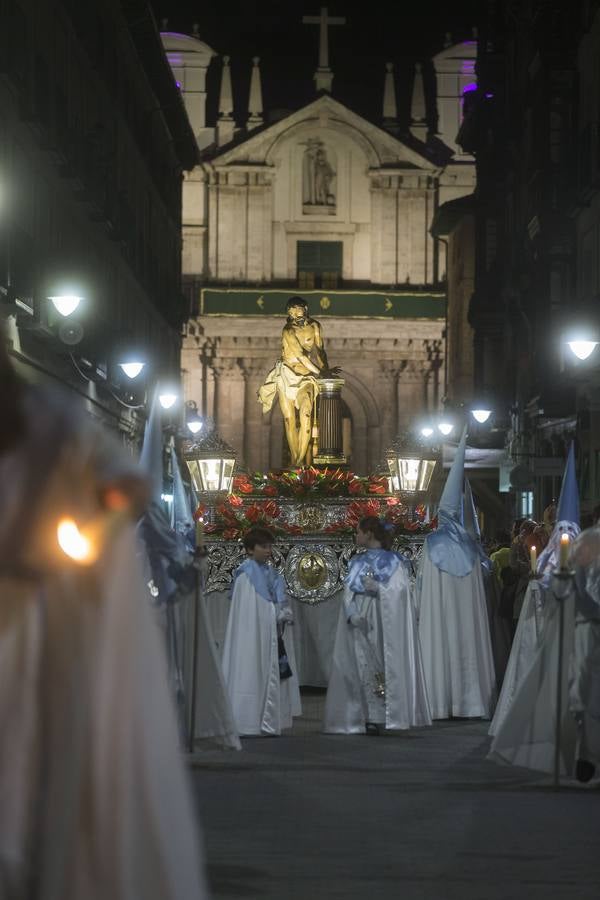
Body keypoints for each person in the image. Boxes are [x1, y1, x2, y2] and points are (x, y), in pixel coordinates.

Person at [0, 342, 208, 898]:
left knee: (39, 748)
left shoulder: (51, 419)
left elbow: (128, 486)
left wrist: (86, 532)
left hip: (42, 620)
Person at [323, 516, 431, 735]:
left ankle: (384, 714)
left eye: (358, 531)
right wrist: (352, 614)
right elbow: (348, 593)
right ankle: (365, 715)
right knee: (362, 662)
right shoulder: (357, 561)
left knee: (383, 660)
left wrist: (379, 589)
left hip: (384, 621)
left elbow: (401, 593)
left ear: (369, 533)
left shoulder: (394, 562)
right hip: (362, 619)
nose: (356, 535)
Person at [416, 428, 496, 720]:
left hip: (439, 615)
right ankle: (471, 702)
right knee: (468, 641)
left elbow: (422, 586)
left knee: (441, 642)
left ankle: (441, 701)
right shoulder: (472, 548)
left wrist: (417, 607)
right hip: (466, 616)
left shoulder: (432, 543)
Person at [222, 526, 301, 736]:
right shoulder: (245, 576)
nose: (268, 551)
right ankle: (249, 719)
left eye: (269, 547)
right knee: (253, 666)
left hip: (270, 633)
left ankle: (270, 717)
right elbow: (252, 610)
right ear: (249, 549)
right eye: (263, 547)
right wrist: (275, 613)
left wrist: (282, 612)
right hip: (253, 636)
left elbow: (273, 599)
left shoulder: (271, 573)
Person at [258, 297, 340, 466]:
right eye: (291, 311)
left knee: (307, 415)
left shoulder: (315, 326)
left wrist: (326, 369)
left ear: (305, 308)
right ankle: (297, 462)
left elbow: (320, 351)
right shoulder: (288, 330)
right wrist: (322, 372)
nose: (294, 313)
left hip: (305, 377)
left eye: (297, 309)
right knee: (289, 420)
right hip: (287, 375)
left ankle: (301, 459)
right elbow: (301, 356)